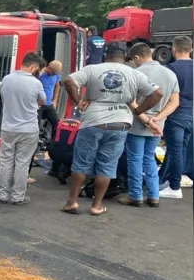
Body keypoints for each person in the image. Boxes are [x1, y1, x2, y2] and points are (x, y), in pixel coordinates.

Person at [61, 46, 162, 216]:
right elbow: (157, 93)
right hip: (120, 123)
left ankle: (72, 202)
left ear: (106, 56)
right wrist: (138, 111)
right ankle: (96, 206)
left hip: (93, 122)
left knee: (82, 163)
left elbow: (68, 81)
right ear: (125, 58)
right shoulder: (134, 73)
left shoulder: (93, 69)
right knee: (107, 166)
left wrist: (78, 101)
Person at [118, 43, 179, 207]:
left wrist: (145, 118)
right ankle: (153, 195)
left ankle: (135, 195)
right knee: (149, 159)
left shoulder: (134, 73)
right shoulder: (170, 73)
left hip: (137, 124)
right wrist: (157, 119)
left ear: (137, 57)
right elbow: (174, 102)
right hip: (158, 126)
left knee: (135, 159)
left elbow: (130, 100)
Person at [0, 52, 47, 206]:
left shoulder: (7, 79)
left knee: (5, 161)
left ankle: (2, 195)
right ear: (33, 67)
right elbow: (43, 101)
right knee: (22, 163)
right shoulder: (36, 83)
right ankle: (18, 197)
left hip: (8, 127)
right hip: (28, 129)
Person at [157, 36, 193, 199]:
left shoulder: (170, 69)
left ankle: (174, 186)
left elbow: (164, 93)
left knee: (175, 150)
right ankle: (169, 181)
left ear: (173, 49)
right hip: (190, 114)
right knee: (182, 150)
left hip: (176, 114)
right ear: (190, 49)